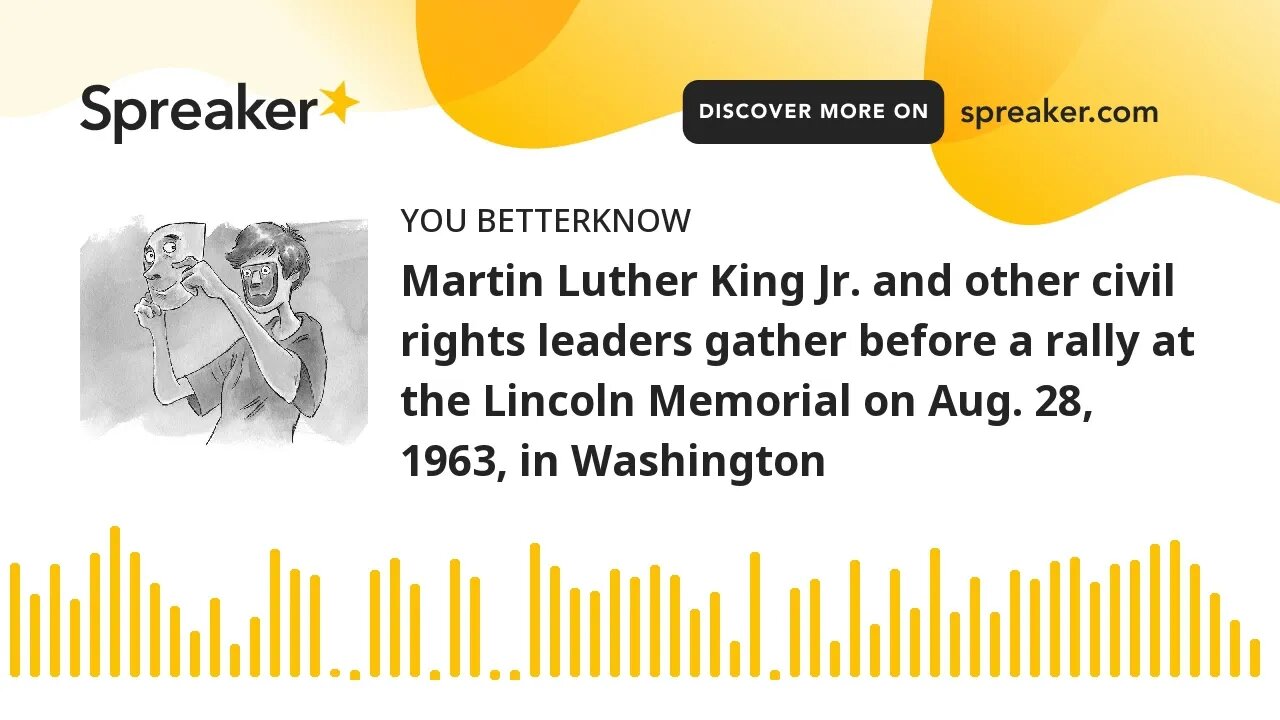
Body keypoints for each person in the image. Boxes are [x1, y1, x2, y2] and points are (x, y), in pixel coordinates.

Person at [135, 222, 327, 443]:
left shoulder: (308, 332)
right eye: (247, 273)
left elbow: (290, 385)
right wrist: (157, 331)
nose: (254, 281)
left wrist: (227, 296)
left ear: (292, 274)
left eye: (264, 270)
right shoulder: (245, 348)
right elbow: (169, 392)